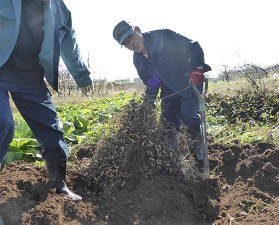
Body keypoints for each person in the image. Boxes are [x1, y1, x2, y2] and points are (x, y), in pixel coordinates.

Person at [0, 0, 94, 201]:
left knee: (53, 134)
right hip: (1, 69)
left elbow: (69, 42)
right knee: (3, 123)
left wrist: (82, 76)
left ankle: (59, 185)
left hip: (31, 77)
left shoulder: (58, 8)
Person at [113, 20, 211, 160]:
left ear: (138, 29)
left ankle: (197, 142)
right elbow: (152, 81)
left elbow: (192, 46)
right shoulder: (138, 60)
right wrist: (149, 101)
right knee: (167, 124)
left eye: (132, 36)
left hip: (189, 82)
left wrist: (198, 68)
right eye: (126, 43)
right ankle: (172, 153)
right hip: (169, 90)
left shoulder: (162, 36)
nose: (131, 43)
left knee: (188, 117)